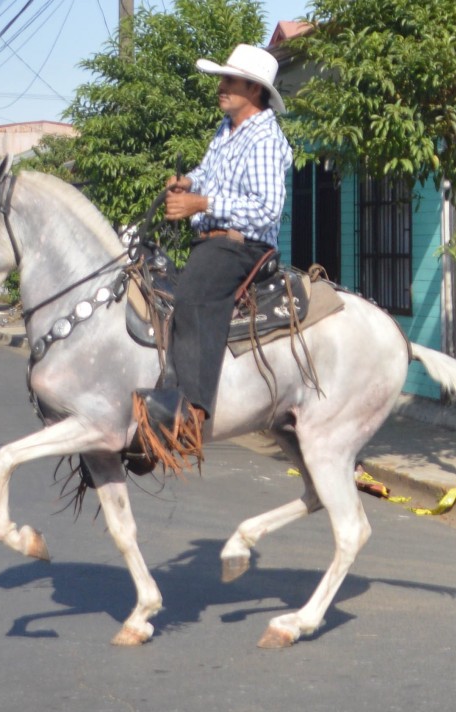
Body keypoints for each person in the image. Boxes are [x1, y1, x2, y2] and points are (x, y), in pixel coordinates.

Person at [135, 43, 293, 438]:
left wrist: (201, 202)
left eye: (229, 80)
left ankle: (191, 412)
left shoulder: (265, 138)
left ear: (254, 90)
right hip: (212, 241)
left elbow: (267, 209)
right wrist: (188, 181)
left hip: (244, 246)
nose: (220, 86)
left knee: (193, 296)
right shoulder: (227, 129)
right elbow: (209, 170)